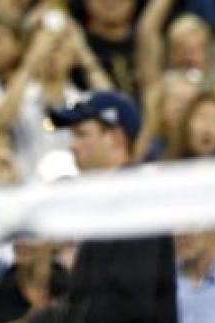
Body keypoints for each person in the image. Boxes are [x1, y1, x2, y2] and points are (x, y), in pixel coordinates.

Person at [40, 91, 178, 322]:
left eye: (82, 134)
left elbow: (128, 306)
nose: (73, 146)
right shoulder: (113, 203)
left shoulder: (136, 203)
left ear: (116, 138)